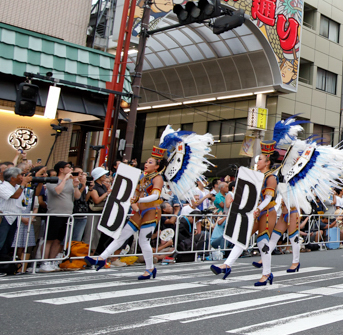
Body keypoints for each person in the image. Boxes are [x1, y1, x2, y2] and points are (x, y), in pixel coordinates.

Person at [86, 128, 213, 279]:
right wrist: (133, 199)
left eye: (150, 162)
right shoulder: (144, 177)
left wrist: (138, 200)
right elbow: (137, 192)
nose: (146, 163)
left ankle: (150, 269)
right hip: (140, 211)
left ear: (157, 166)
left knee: (143, 241)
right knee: (121, 236)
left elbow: (155, 196)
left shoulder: (157, 178)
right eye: (147, 161)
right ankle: (101, 258)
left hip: (152, 212)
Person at [211, 117, 304, 285]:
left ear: (267, 162)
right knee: (243, 238)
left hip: (267, 213)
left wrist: (259, 209)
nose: (257, 161)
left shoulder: (271, 177)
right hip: (256, 212)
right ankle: (226, 265)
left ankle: (267, 273)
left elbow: (268, 197)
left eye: (260, 159)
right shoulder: (257, 176)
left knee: (263, 242)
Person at [42, 161, 84, 271]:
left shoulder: (71, 182)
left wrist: (75, 186)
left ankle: (52, 261)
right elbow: (57, 191)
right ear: (61, 169)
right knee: (49, 240)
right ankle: (44, 262)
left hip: (67, 215)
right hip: (54, 214)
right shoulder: (53, 180)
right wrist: (65, 179)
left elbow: (77, 196)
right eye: (69, 167)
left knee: (58, 240)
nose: (71, 169)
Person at [0, 167, 30, 275]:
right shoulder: (3, 187)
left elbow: (21, 200)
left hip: (14, 218)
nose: (22, 177)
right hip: (4, 218)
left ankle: (3, 267)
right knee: (0, 242)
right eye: (20, 175)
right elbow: (14, 196)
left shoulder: (17, 187)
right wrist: (23, 185)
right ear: (12, 178)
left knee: (7, 244)